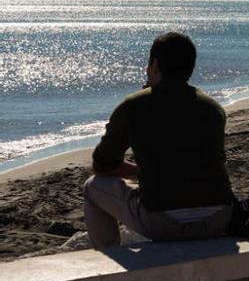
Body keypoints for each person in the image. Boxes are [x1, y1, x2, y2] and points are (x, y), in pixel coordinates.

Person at [82, 32, 235, 249]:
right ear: (191, 67)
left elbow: (102, 165)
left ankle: (112, 256)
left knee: (93, 187)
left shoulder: (134, 105)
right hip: (219, 217)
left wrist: (139, 173)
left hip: (163, 222)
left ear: (154, 64)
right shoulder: (213, 108)